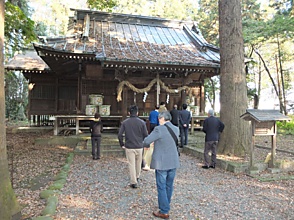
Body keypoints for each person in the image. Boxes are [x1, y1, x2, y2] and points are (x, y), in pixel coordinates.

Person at [143, 111, 180, 219]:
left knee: (161, 186)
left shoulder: (159, 129)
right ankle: (165, 204)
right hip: (173, 161)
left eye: (159, 119)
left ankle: (164, 210)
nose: (159, 120)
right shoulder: (176, 129)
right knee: (169, 185)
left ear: (162, 118)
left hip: (162, 162)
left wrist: (150, 143)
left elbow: (147, 141)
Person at [118, 105, 148, 188]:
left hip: (129, 145)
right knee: (138, 163)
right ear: (137, 113)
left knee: (131, 164)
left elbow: (120, 134)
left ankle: (133, 181)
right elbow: (146, 134)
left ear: (129, 113)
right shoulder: (142, 122)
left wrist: (122, 144)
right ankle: (137, 176)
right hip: (139, 145)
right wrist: (146, 143)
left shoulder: (125, 122)